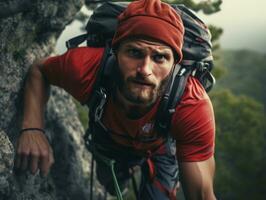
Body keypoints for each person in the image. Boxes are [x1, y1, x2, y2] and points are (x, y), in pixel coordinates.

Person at [15, 0, 216, 199]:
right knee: (112, 186)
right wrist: (33, 128)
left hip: (161, 149)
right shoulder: (85, 68)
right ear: (116, 51)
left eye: (159, 57)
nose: (145, 70)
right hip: (110, 144)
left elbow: (202, 196)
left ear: (175, 64)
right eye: (134, 52)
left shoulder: (191, 103)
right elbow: (39, 70)